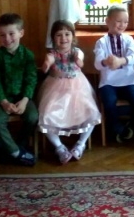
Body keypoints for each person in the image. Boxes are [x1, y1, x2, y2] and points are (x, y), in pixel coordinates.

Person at [39, 20, 101, 164]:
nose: (63, 38)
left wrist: (77, 60)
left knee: (91, 112)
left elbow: (81, 62)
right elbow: (47, 63)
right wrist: (46, 64)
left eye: (67, 34)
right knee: (46, 115)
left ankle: (80, 144)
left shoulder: (77, 52)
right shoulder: (52, 54)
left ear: (73, 37)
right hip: (56, 88)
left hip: (78, 86)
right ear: (53, 38)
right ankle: (59, 147)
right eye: (59, 35)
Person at [0, 13, 38, 167]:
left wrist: (25, 100)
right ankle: (16, 152)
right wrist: (4, 102)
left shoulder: (28, 55)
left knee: (33, 117)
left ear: (21, 33)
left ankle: (19, 144)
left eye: (11, 34)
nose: (7, 39)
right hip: (1, 99)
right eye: (2, 35)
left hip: (22, 97)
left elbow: (31, 79)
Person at [94, 4, 134, 143]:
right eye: (119, 21)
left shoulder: (129, 40)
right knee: (109, 102)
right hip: (108, 83)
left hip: (128, 81)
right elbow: (97, 64)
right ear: (107, 21)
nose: (122, 25)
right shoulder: (101, 42)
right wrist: (106, 62)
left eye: (125, 22)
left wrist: (121, 60)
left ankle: (133, 126)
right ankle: (118, 129)